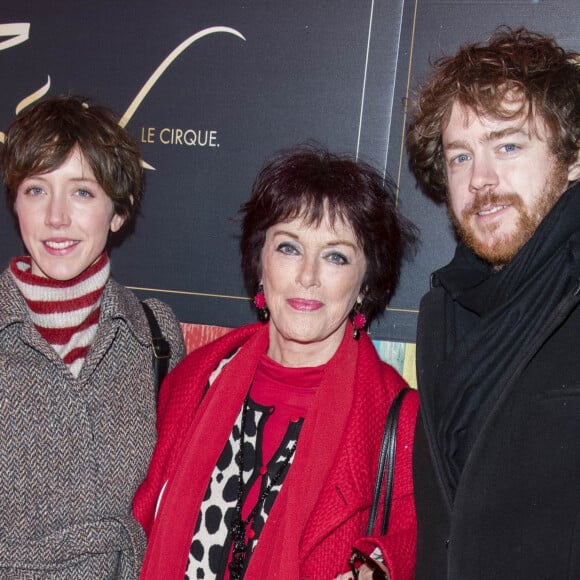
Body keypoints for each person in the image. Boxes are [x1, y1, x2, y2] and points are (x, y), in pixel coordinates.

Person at [133, 145, 419, 579]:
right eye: (289, 248)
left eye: (335, 256)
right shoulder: (195, 380)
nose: (308, 275)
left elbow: (421, 543)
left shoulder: (398, 420)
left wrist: (379, 567)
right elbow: (138, 528)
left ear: (366, 282)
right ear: (260, 262)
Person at [406, 27, 580, 579]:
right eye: (461, 156)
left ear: (572, 159)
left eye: (507, 145)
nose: (480, 180)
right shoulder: (441, 312)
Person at [0, 95, 185, 578]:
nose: (56, 217)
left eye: (82, 192)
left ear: (118, 212)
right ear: (15, 203)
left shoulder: (155, 334)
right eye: (36, 190)